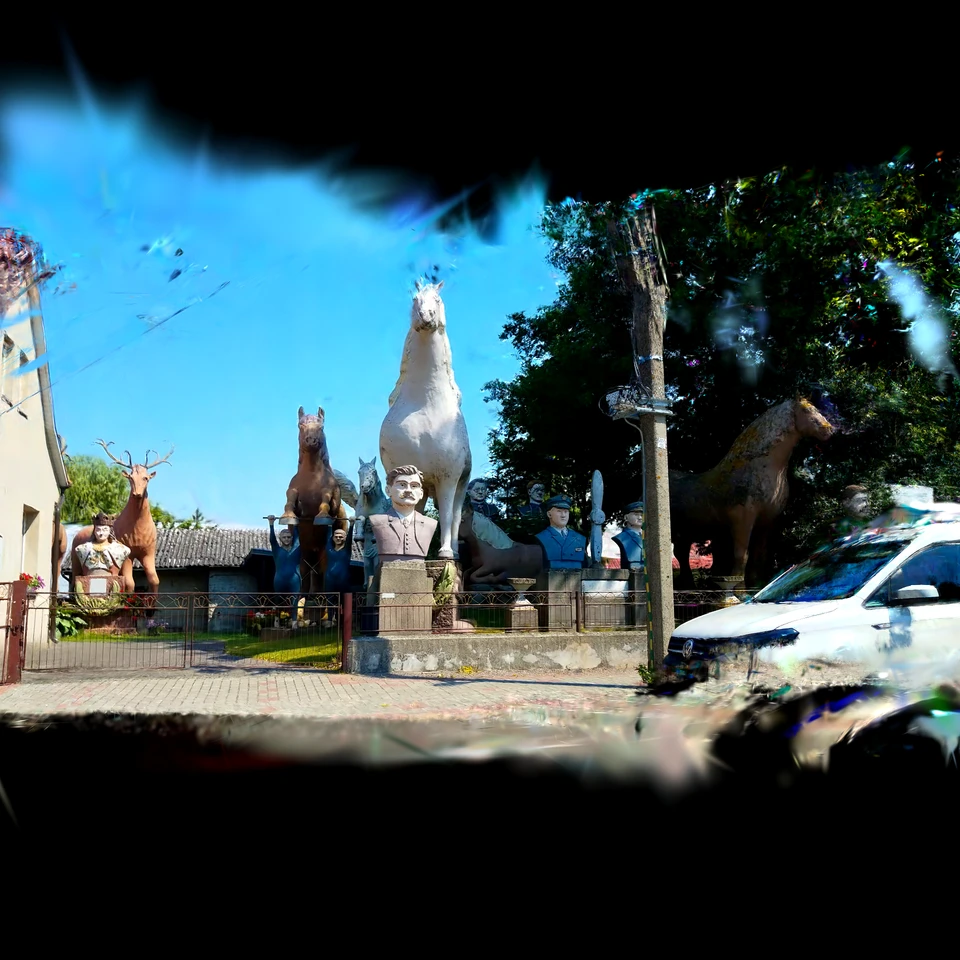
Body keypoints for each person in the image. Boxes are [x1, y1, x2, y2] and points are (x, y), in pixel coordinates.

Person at [367, 465, 438, 562]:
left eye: (414, 486)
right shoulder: (377, 521)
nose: (408, 490)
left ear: (421, 493)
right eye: (402, 485)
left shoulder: (430, 524)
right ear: (388, 491)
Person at [534, 495, 587, 570]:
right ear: (549, 514)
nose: (563, 515)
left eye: (566, 511)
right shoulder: (541, 538)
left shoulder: (579, 538)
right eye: (559, 511)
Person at [73, 512, 131, 580]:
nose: (101, 533)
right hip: (90, 585)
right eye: (98, 530)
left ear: (110, 531)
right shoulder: (82, 549)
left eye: (105, 530)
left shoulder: (121, 550)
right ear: (94, 531)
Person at [267, 515, 301, 621]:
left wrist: (296, 524)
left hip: (294, 580)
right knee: (278, 600)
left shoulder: (296, 548)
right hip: (279, 580)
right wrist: (271, 524)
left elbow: (297, 537)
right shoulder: (277, 550)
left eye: (289, 537)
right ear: (280, 538)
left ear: (292, 538)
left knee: (294, 601)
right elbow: (272, 540)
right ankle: (277, 620)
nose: (286, 539)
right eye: (284, 537)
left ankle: (294, 622)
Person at [612, 501, 645, 570]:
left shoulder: (648, 537)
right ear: (626, 517)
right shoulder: (622, 537)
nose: (640, 517)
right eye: (636, 514)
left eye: (642, 515)